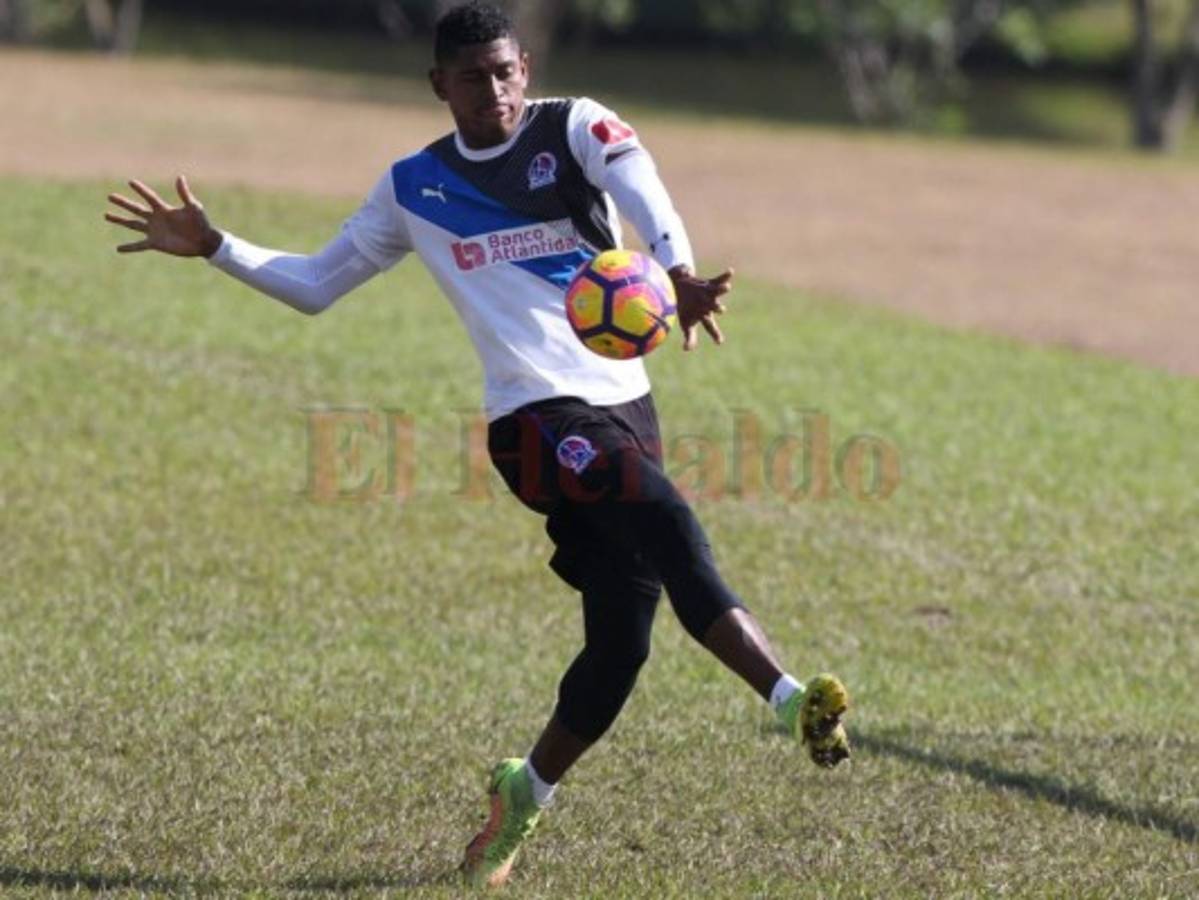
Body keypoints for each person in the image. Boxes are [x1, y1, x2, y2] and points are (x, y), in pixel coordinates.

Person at [104, 1, 850, 888]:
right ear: (438, 86)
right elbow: (314, 284)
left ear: (524, 67)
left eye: (503, 72)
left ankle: (521, 794)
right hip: (531, 423)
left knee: (621, 645)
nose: (492, 91)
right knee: (666, 515)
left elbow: (647, 197)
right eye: (471, 77)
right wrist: (218, 245)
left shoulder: (576, 127)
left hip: (624, 406)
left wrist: (675, 270)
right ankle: (788, 698)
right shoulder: (412, 186)